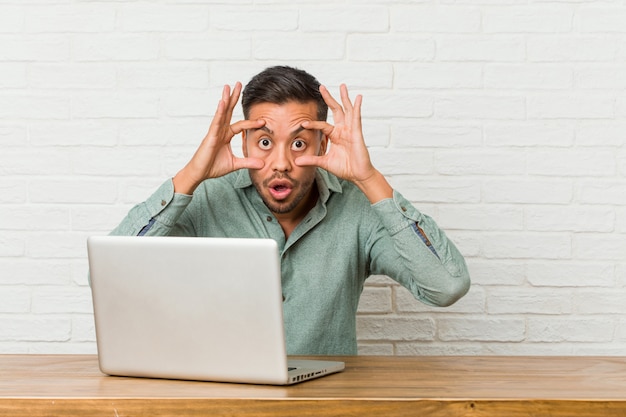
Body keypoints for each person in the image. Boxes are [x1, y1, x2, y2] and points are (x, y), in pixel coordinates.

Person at [110, 66, 470, 355]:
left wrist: (369, 177)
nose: (280, 163)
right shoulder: (205, 200)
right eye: (264, 142)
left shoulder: (358, 208)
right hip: (223, 404)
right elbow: (113, 276)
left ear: (323, 142)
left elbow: (446, 286)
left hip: (327, 405)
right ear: (243, 140)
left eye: (298, 143)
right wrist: (191, 175)